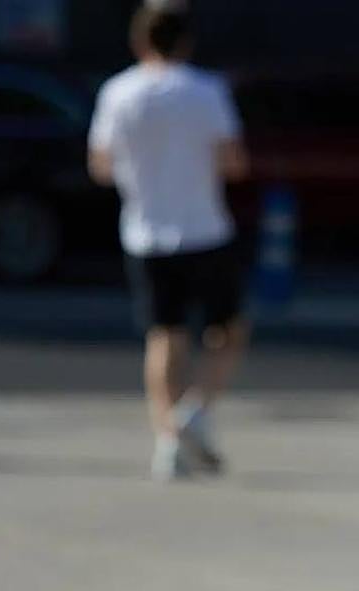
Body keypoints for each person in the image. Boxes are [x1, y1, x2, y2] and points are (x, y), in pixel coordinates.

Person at [88, 0, 250, 481]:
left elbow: (100, 165)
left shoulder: (117, 93)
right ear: (186, 41)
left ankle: (168, 441)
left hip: (144, 231)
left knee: (165, 337)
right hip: (205, 228)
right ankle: (192, 415)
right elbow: (234, 162)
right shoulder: (206, 91)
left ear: (139, 41)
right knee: (229, 330)